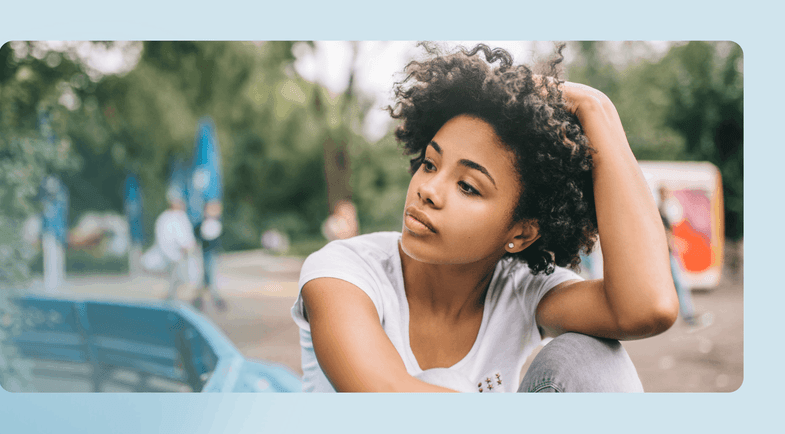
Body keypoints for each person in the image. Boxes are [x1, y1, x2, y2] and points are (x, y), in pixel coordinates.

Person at [290, 43, 679, 393]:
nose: (428, 189)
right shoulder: (342, 271)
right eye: (429, 164)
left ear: (521, 233)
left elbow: (647, 308)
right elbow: (388, 394)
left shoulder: (521, 291)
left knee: (592, 356)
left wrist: (597, 109)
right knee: (440, 382)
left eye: (468, 187)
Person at [657, 185, 713, 331]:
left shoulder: (662, 211)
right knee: (680, 283)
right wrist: (674, 244)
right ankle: (688, 315)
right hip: (666, 254)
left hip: (665, 254)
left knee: (676, 284)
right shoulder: (660, 211)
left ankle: (686, 314)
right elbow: (664, 233)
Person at [153, 188, 197, 301]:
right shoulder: (171, 218)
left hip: (177, 255)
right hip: (175, 255)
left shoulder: (172, 217)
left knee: (179, 281)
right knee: (180, 281)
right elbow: (180, 238)